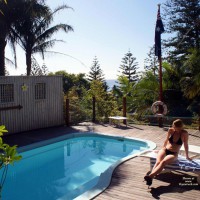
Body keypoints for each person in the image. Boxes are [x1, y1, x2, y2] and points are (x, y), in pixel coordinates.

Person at [144, 119, 191, 186]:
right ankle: (150, 178)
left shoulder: (184, 133)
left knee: (163, 162)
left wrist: (187, 156)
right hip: (165, 149)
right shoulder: (171, 130)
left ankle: (150, 176)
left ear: (180, 127)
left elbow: (186, 145)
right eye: (173, 126)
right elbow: (166, 140)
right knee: (158, 162)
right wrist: (162, 148)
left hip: (174, 153)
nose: (173, 128)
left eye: (175, 127)